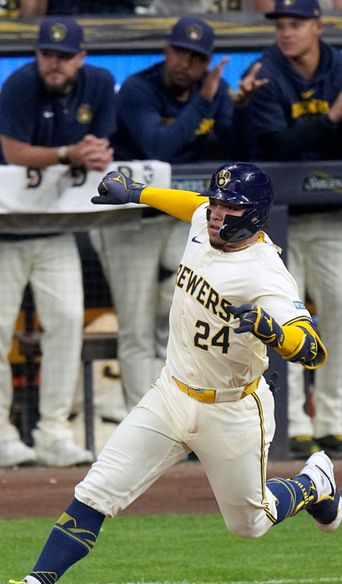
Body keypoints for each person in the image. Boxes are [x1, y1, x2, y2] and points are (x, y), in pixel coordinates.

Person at [0, 163, 342, 584]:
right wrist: (140, 193)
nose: (217, 214)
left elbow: (312, 349)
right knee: (96, 491)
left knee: (250, 523)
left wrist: (276, 334)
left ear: (254, 216)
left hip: (231, 409)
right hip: (170, 393)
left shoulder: (265, 274)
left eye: (230, 208)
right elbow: (191, 206)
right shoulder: (204, 221)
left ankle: (314, 482)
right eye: (217, 203)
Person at [0, 17, 115, 468]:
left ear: (81, 58)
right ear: (37, 55)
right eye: (48, 54)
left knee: (68, 321)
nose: (55, 63)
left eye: (65, 56)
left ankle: (53, 431)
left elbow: (102, 146)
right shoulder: (20, 84)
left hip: (54, 226)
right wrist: (72, 153)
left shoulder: (101, 83)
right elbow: (14, 153)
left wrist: (97, 154)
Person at [96, 16, 266, 412]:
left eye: (196, 57)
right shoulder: (139, 89)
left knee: (182, 311)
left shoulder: (215, 90)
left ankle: (180, 413)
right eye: (180, 52)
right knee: (137, 328)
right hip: (129, 221)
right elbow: (159, 146)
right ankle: (145, 418)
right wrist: (206, 101)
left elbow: (239, 151)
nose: (185, 63)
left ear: (206, 61)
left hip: (179, 219)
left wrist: (239, 108)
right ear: (166, 51)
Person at [239, 0, 342, 460]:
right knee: (282, 319)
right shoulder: (265, 71)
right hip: (278, 220)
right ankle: (293, 422)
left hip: (331, 211)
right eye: (281, 24)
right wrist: (333, 116)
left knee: (341, 311)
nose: (286, 32)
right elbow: (280, 145)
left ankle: (331, 422)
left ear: (318, 25)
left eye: (296, 24)